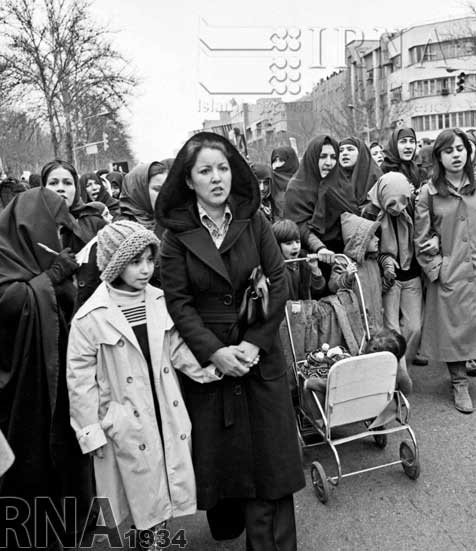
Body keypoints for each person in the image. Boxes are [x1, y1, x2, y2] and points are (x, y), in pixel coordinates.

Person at [155, 132, 305, 550]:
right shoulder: (175, 236)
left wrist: (255, 343)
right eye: (205, 170)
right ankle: (229, 524)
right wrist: (215, 353)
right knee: (229, 464)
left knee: (272, 465)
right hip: (213, 365)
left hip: (261, 355)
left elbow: (278, 279)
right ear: (189, 180)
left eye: (222, 168)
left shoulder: (252, 219)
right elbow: (179, 303)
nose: (216, 178)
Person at [67, 220, 221, 549]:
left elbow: (176, 348)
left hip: (164, 406)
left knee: (164, 482)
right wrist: (89, 429)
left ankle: (156, 540)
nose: (146, 269)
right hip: (125, 418)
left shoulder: (160, 301)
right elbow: (79, 380)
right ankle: (148, 541)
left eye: (150, 260)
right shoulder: (90, 317)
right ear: (115, 264)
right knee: (141, 490)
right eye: (136, 262)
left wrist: (206, 370)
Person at [0, 188, 96, 548]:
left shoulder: (37, 263)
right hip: (19, 391)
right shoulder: (4, 255)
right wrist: (49, 281)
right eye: (54, 230)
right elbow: (9, 303)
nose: (58, 240)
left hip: (56, 381)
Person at [415, 128, 476, 414]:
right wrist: (437, 268)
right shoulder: (427, 194)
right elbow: (421, 238)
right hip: (450, 269)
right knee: (452, 330)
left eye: (460, 149)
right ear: (438, 157)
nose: (456, 155)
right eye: (448, 150)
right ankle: (459, 383)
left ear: (469, 152)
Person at [364, 172, 423, 370]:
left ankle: (402, 365)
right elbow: (369, 249)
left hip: (412, 273)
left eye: (403, 202)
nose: (398, 209)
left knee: (414, 327)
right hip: (389, 279)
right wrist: (385, 260)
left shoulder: (414, 207)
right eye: (391, 204)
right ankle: (397, 375)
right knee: (392, 328)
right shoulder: (370, 214)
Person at [328, 212, 386, 333]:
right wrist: (347, 277)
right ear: (359, 241)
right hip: (359, 328)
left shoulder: (373, 262)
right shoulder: (343, 262)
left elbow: (380, 290)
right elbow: (333, 286)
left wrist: (388, 279)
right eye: (372, 237)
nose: (377, 239)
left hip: (378, 326)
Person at [284, 135, 340, 258]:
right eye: (323, 156)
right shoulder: (297, 187)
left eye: (333, 157)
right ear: (313, 158)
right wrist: (318, 247)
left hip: (343, 258)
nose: (329, 162)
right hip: (312, 259)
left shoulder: (341, 185)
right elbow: (298, 225)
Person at [41, 159, 107, 253]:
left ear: (76, 188)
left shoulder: (95, 225)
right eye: (53, 183)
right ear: (43, 188)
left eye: (67, 183)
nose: (60, 189)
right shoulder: (31, 226)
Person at [272, 218, 326, 300]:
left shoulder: (304, 259)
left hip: (305, 309)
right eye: (288, 243)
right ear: (277, 245)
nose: (295, 247)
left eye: (297, 242)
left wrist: (315, 270)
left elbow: (318, 290)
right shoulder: (274, 267)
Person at [119, 161, 167, 235]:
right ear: (138, 191)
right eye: (158, 189)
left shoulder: (170, 223)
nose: (165, 194)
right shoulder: (120, 230)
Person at [271, 145, 299, 217]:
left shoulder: (302, 182)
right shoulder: (270, 182)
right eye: (274, 161)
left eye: (281, 160)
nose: (276, 165)